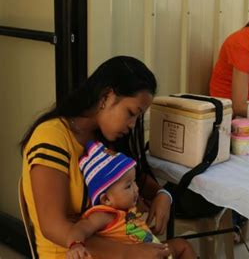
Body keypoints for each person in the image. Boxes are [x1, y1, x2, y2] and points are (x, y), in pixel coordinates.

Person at [20, 56, 193, 258]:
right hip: (72, 253)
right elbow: (53, 226)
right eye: (130, 113)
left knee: (182, 248)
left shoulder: (103, 140)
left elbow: (138, 181)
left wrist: (164, 195)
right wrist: (130, 254)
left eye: (137, 118)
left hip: (118, 246)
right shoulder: (52, 137)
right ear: (106, 97)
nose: (132, 125)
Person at [66, 141, 195, 259]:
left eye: (134, 182)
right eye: (128, 186)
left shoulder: (128, 208)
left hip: (153, 250)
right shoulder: (103, 214)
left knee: (182, 246)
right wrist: (76, 245)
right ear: (106, 199)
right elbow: (81, 228)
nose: (136, 188)